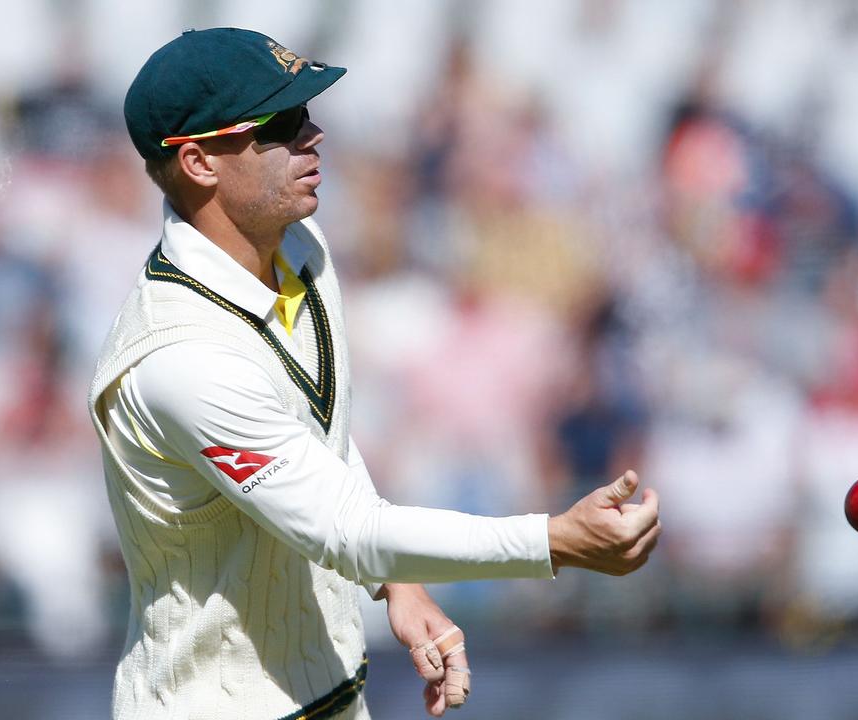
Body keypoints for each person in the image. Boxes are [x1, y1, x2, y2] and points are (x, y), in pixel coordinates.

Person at [88, 27, 661, 720]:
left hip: (329, 695)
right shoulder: (180, 358)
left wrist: (399, 584)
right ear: (200, 162)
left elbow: (315, 439)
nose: (315, 135)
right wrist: (554, 541)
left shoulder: (297, 244)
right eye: (281, 125)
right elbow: (347, 527)